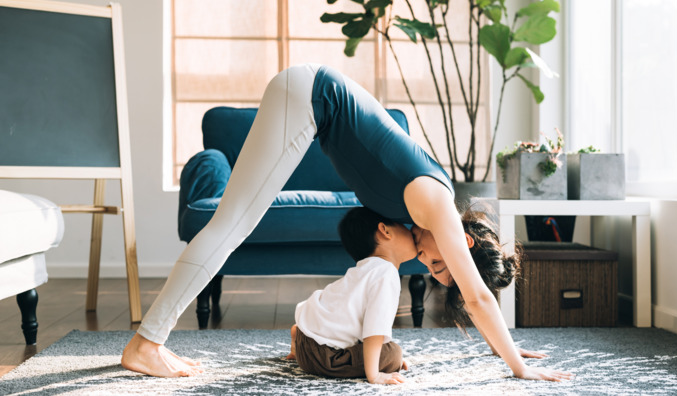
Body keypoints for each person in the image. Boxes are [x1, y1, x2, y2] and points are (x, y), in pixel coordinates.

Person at [121, 63, 574, 382]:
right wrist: (518, 365)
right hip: (308, 96)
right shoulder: (436, 203)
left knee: (231, 224)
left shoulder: (411, 217)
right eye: (439, 266)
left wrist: (503, 346)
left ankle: (149, 341)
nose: (426, 262)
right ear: (466, 247)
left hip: (307, 95)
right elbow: (477, 295)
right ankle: (147, 344)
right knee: (231, 225)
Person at [286, 206, 414, 384]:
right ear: (385, 230)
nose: (412, 232)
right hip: (326, 359)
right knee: (392, 354)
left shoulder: (362, 270)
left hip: (305, 337)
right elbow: (374, 331)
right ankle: (303, 342)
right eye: (404, 226)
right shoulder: (385, 274)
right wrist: (375, 374)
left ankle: (297, 337)